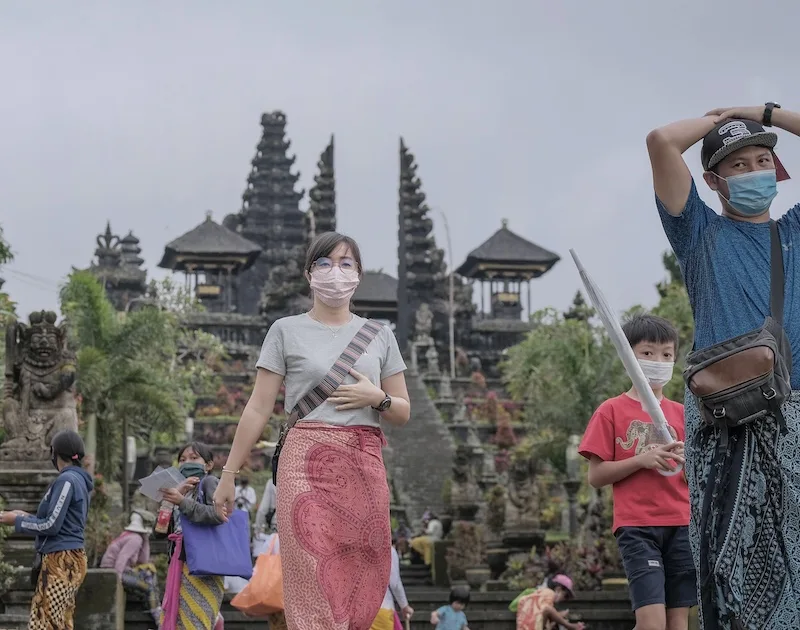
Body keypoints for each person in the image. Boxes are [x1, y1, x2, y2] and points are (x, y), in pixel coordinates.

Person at [647, 104, 800, 629]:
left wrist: (765, 114)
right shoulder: (699, 235)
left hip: (794, 415)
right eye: (738, 165)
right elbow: (662, 141)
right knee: (731, 562)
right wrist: (719, 119)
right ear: (713, 181)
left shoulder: (794, 233)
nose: (755, 170)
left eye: (763, 161)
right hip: (725, 420)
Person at [213, 231, 411, 630]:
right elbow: (258, 407)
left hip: (363, 458)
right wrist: (228, 476)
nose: (334, 272)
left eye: (345, 263)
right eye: (324, 263)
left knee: (365, 562)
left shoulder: (380, 334)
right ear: (309, 273)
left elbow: (403, 411)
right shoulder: (286, 330)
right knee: (311, 565)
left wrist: (378, 397)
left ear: (358, 273)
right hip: (304, 459)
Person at [578, 313, 694, 630]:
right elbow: (597, 476)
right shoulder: (611, 410)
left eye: (666, 354)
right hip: (638, 528)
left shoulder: (685, 414)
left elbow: (695, 481)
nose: (658, 360)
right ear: (628, 356)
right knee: (652, 623)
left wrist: (689, 463)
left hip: (682, 526)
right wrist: (641, 460)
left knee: (677, 624)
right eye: (647, 353)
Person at [0, 430, 93, 630]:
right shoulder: (77, 480)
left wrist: (18, 522)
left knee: (45, 623)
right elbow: (59, 520)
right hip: (67, 557)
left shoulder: (67, 480)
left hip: (62, 559)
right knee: (59, 622)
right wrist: (24, 515)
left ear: (55, 453)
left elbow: (51, 524)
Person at [157, 442, 228, 630]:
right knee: (181, 619)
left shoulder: (209, 482)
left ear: (209, 465)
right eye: (182, 459)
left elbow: (219, 514)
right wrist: (173, 499)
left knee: (195, 620)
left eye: (194, 458)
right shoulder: (181, 489)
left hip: (204, 564)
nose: (187, 462)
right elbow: (160, 530)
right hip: (180, 562)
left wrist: (182, 503)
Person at [100, 510, 161, 625]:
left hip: (123, 570)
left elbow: (143, 560)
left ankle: (154, 608)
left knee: (149, 572)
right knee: (149, 588)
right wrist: (117, 578)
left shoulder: (135, 537)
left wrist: (146, 539)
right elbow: (121, 559)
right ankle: (157, 617)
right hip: (113, 571)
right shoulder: (134, 539)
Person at [509, 574, 584, 630]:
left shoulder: (537, 596)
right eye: (566, 596)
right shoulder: (549, 593)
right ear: (558, 590)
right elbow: (546, 609)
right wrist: (567, 624)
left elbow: (541, 622)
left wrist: (557, 617)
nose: (564, 600)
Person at [370, 545, 414, 630]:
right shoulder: (386, 548)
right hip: (381, 609)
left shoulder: (352, 547)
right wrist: (404, 605)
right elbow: (394, 582)